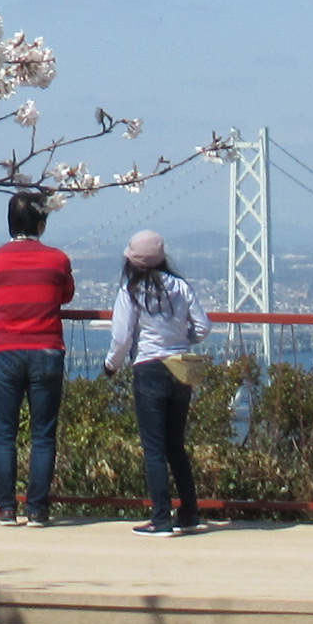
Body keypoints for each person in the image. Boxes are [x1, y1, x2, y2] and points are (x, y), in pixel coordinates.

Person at [0, 190, 75, 526]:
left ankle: (5, 508)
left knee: (5, 433)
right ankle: (38, 509)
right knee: (43, 434)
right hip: (47, 350)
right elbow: (67, 295)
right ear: (42, 224)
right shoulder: (58, 259)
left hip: (6, 349)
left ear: (9, 222)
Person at [106, 228, 206, 535]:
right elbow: (202, 326)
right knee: (176, 445)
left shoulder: (130, 291)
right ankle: (189, 513)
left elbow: (122, 337)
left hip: (149, 367)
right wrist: (183, 340)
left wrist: (111, 365)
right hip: (181, 368)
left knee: (154, 448)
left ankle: (161, 518)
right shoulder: (181, 286)